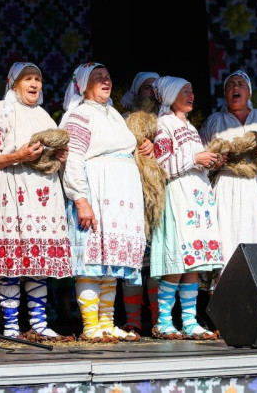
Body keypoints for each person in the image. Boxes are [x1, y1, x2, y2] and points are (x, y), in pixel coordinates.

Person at [0, 62, 73, 342]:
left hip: (44, 197)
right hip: (14, 191)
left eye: (38, 79)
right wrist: (18, 156)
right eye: (28, 79)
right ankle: (11, 326)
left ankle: (38, 323)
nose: (34, 84)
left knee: (39, 264)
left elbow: (54, 157)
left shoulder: (45, 117)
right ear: (14, 83)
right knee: (12, 263)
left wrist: (60, 158)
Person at [61, 63, 146, 342]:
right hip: (96, 191)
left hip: (119, 198)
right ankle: (90, 326)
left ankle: (107, 323)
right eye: (98, 77)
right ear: (83, 84)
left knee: (110, 263)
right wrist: (81, 199)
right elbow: (73, 159)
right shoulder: (79, 114)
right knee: (91, 262)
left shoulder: (114, 114)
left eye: (107, 77)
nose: (105, 81)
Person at [149, 76, 223, 340]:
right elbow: (161, 165)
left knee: (193, 262)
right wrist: (195, 157)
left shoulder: (190, 127)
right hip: (178, 195)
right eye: (185, 91)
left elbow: (194, 162)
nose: (191, 95)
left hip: (196, 196)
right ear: (170, 95)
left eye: (192, 91)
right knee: (178, 260)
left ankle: (190, 321)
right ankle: (164, 321)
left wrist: (210, 161)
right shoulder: (164, 124)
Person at [199, 70, 257, 265]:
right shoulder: (214, 122)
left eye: (241, 84)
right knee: (230, 240)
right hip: (228, 187)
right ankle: (231, 281)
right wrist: (215, 162)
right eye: (230, 85)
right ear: (225, 93)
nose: (236, 87)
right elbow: (200, 161)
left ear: (249, 92)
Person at [119, 71, 161, 335]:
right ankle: (133, 321)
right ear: (136, 92)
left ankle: (158, 321)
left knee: (157, 264)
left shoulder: (166, 121)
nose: (152, 93)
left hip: (159, 200)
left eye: (156, 89)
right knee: (133, 262)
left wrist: (157, 148)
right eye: (147, 87)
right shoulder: (122, 121)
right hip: (131, 197)